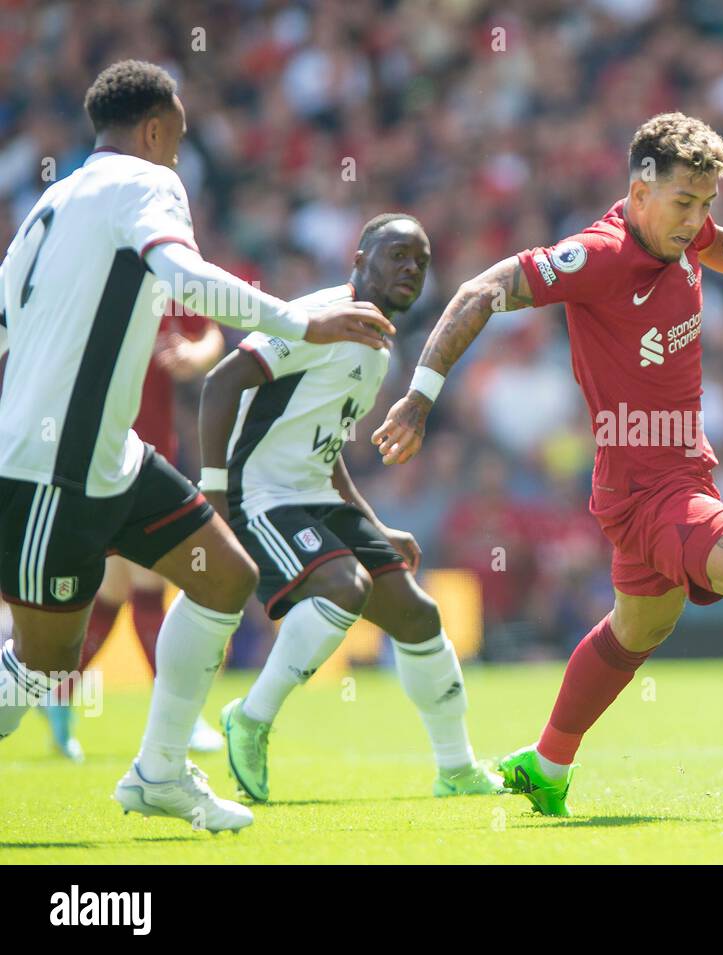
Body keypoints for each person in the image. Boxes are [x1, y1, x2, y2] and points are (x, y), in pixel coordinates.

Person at [372, 113, 723, 817]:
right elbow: (476, 293)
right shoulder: (597, 255)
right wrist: (418, 397)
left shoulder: (684, 230)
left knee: (639, 628)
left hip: (680, 474)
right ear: (639, 187)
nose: (695, 221)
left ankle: (549, 762)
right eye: (684, 203)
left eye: (706, 203)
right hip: (646, 489)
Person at [0, 60, 394, 832]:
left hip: (109, 460)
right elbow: (180, 271)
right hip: (50, 473)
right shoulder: (145, 183)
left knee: (224, 577)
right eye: (177, 140)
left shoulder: (53, 198)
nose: (181, 157)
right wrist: (300, 321)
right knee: (45, 668)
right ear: (153, 130)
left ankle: (159, 772)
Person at [199, 213, 502, 803]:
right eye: (397, 255)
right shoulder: (316, 318)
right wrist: (213, 501)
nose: (411, 268)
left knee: (418, 616)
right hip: (258, 496)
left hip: (314, 495)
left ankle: (456, 768)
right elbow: (220, 383)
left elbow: (327, 443)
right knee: (345, 587)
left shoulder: (378, 341)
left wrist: (376, 525)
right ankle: (251, 718)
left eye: (421, 260)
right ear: (359, 260)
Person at [44, 314, 228, 761]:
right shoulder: (95, 280)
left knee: (113, 592)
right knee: (148, 590)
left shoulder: (160, 274)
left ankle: (56, 691)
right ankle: (180, 721)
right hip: (102, 459)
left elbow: (210, 334)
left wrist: (193, 354)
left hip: (154, 453)